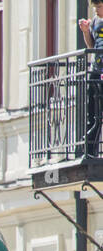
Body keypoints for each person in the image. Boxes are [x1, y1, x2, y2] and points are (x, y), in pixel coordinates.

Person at [79, 3, 103, 155]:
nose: (96, 10)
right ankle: (90, 150)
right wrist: (86, 31)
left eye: (99, 6)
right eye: (95, 7)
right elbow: (91, 45)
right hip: (96, 69)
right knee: (93, 111)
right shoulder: (95, 21)